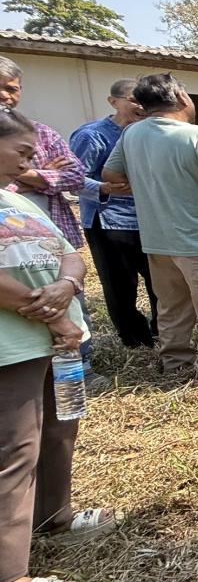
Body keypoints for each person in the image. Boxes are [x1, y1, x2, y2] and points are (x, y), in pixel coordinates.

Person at [0, 108, 118, 582]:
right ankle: (8, 580)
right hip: (14, 345)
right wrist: (46, 312)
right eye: (23, 153)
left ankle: (56, 513)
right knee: (14, 450)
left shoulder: (17, 200)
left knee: (60, 429)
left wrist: (67, 284)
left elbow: (71, 251)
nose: (30, 165)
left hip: (58, 339)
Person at [102, 73, 198, 382]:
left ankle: (175, 361)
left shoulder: (131, 134)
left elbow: (111, 174)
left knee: (172, 305)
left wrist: (150, 187)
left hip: (158, 240)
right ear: (182, 98)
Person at [0, 57, 103, 391]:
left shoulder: (40, 131)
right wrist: (43, 175)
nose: (6, 96)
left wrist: (28, 177)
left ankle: (79, 365)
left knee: (73, 307)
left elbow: (74, 175)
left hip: (48, 235)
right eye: (21, 156)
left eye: (11, 88)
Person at [69, 79, 158, 348]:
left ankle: (161, 332)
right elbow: (72, 179)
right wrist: (105, 188)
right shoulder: (92, 135)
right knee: (121, 286)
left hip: (148, 220)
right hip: (109, 222)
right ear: (113, 101)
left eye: (145, 100)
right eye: (134, 100)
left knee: (159, 284)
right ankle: (133, 338)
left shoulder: (149, 133)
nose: (141, 106)